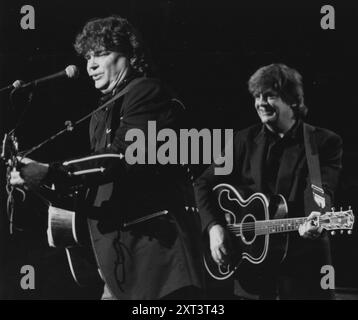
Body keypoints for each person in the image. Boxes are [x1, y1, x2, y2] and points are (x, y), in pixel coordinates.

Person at [10, 15, 204, 300]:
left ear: (129, 55)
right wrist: (36, 180)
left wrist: (50, 172)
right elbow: (98, 184)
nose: (90, 64)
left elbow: (119, 158)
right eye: (88, 56)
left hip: (158, 261)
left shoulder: (147, 92)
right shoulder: (101, 113)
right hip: (121, 264)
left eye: (100, 54)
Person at [194, 63, 342, 299]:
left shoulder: (323, 142)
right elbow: (203, 184)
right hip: (251, 275)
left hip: (301, 269)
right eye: (257, 96)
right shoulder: (243, 140)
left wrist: (317, 215)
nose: (260, 103)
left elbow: (320, 188)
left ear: (292, 100)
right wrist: (213, 227)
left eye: (270, 96)